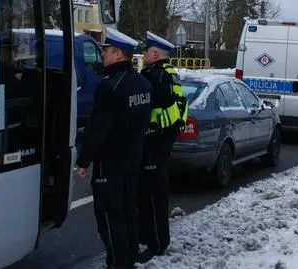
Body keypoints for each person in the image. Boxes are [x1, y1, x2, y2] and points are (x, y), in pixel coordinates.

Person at [76, 27, 152, 269]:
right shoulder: (142, 83)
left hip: (110, 163)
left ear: (118, 54)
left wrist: (83, 160)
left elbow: (98, 128)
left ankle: (119, 263)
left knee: (110, 215)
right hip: (133, 158)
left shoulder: (109, 86)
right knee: (129, 210)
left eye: (107, 50)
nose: (103, 55)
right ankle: (128, 257)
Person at [137, 31, 188, 263]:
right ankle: (155, 239)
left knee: (151, 197)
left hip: (153, 141)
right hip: (163, 141)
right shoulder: (170, 74)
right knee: (155, 195)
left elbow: (144, 109)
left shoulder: (154, 76)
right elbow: (180, 107)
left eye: (146, 51)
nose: (144, 55)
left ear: (155, 53)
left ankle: (155, 244)